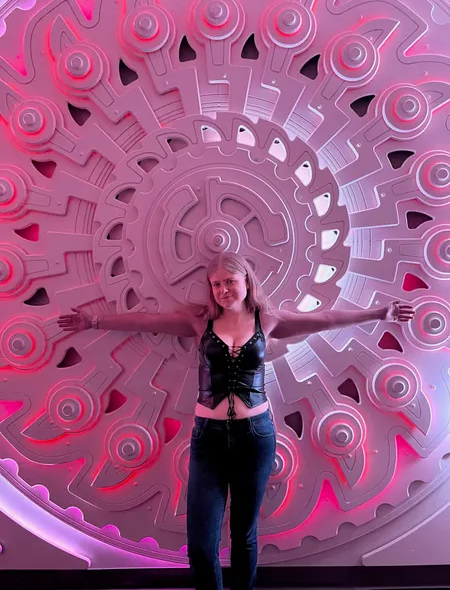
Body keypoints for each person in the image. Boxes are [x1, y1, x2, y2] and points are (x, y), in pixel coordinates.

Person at [57, 251, 415, 590]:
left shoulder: (268, 320)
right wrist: (92, 321)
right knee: (201, 543)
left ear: (247, 281)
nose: (223, 290)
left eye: (230, 281)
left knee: (244, 535)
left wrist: (379, 312)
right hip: (208, 438)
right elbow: (145, 322)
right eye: (216, 284)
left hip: (255, 435)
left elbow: (325, 319)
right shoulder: (199, 320)